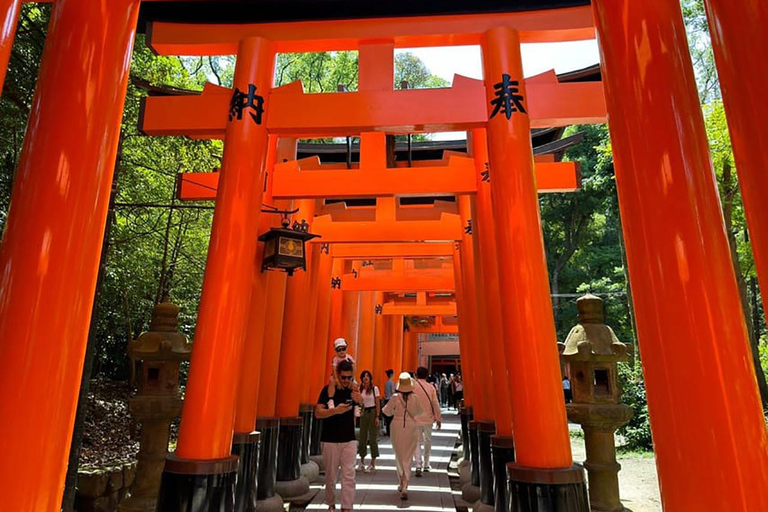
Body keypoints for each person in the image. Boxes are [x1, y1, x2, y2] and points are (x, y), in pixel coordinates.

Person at [316, 359, 363, 512]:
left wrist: (360, 402)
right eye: (343, 377)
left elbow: (361, 412)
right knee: (330, 476)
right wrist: (335, 410)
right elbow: (318, 413)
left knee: (349, 475)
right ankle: (331, 504)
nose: (346, 380)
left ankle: (347, 507)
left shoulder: (353, 391)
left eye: (349, 377)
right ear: (337, 375)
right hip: (330, 439)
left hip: (349, 439)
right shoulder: (327, 391)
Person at [382, 372, 424, 500]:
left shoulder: (395, 397)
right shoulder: (415, 398)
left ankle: (402, 481)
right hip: (411, 427)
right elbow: (419, 411)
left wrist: (396, 411)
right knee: (408, 456)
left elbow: (386, 412)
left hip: (396, 427)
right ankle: (405, 483)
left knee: (399, 455)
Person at [412, 366, 442, 476]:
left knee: (417, 442)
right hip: (428, 419)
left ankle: (418, 465)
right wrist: (438, 418)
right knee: (427, 441)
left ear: (416, 374)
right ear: (426, 375)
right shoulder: (431, 388)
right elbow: (435, 404)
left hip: (415, 419)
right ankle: (426, 464)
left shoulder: (412, 387)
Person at [357, 370, 380, 473]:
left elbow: (378, 403)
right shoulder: (360, 389)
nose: (365, 378)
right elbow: (358, 402)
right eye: (363, 376)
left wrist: (378, 417)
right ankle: (361, 461)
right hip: (363, 412)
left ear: (370, 378)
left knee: (373, 438)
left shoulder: (375, 389)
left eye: (367, 376)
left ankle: (372, 462)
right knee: (362, 437)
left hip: (373, 412)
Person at [381, 368, 396, 436]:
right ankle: (391, 432)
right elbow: (393, 392)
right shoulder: (392, 382)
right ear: (391, 374)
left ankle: (388, 430)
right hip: (391, 400)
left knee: (387, 417)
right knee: (391, 417)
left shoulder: (386, 382)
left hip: (386, 400)